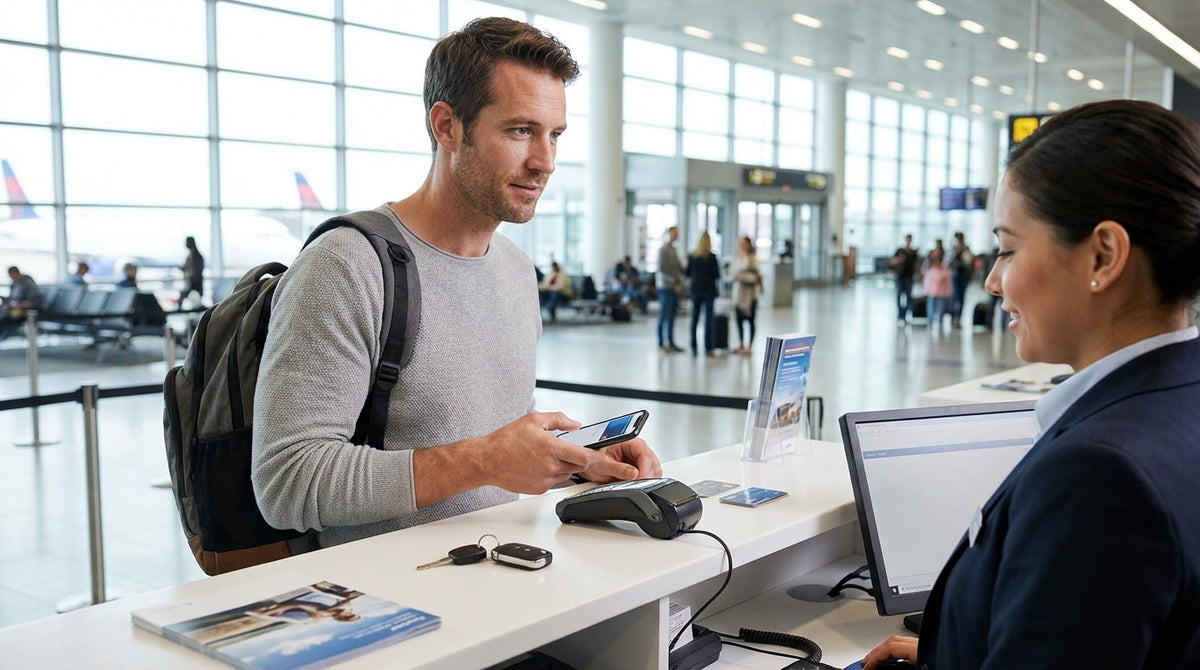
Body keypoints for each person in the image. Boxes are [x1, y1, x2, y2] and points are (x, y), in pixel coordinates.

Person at [251, 17, 661, 549]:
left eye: (554, 135)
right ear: (447, 126)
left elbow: (487, 455)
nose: (545, 162)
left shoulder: (515, 269)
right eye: (520, 131)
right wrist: (483, 459)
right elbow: (287, 481)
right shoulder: (346, 265)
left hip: (495, 574)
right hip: (389, 603)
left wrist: (578, 462)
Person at [858, 99, 1200, 669]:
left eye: (1010, 248)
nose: (993, 281)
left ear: (1103, 254)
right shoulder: (1179, 402)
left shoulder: (1098, 475)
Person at [686, 231, 720, 356]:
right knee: (708, 318)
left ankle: (693, 346)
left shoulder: (693, 256)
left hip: (695, 290)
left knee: (694, 318)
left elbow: (688, 273)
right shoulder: (712, 257)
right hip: (708, 290)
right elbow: (717, 275)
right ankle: (708, 347)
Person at [656, 226, 686, 354]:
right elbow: (662, 270)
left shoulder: (674, 250)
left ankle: (671, 341)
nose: (676, 236)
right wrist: (673, 282)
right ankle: (661, 343)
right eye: (674, 233)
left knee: (672, 315)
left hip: (674, 286)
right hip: (665, 286)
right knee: (664, 314)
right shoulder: (663, 250)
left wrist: (680, 282)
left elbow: (676, 269)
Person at [730, 236, 762, 354]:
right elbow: (732, 272)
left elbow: (757, 277)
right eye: (740, 243)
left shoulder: (753, 259)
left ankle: (750, 345)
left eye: (743, 243)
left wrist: (742, 277)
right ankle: (741, 343)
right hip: (738, 294)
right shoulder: (737, 257)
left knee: (751, 320)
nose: (741, 246)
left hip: (750, 295)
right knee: (739, 320)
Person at [0, 266, 44, 337]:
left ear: (17, 273)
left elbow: (35, 302)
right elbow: (12, 299)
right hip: (12, 309)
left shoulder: (28, 284)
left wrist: (14, 305)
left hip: (23, 311)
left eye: (12, 276)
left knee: (3, 319)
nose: (12, 278)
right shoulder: (15, 284)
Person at [888, 234, 920, 324]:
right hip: (900, 276)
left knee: (908, 296)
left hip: (909, 276)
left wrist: (920, 276)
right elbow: (891, 261)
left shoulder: (913, 253)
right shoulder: (900, 251)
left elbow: (916, 265)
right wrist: (899, 260)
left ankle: (905, 314)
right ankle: (900, 314)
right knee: (899, 295)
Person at [947, 231, 973, 328]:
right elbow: (948, 262)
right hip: (955, 276)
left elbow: (969, 261)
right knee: (954, 297)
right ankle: (954, 317)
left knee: (961, 298)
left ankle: (958, 318)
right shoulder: (953, 249)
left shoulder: (966, 248)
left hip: (964, 277)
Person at [921, 252, 951, 330]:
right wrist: (926, 292)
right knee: (931, 308)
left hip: (941, 293)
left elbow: (948, 283)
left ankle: (940, 322)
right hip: (932, 293)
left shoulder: (945, 271)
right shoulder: (930, 271)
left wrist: (948, 293)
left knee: (941, 309)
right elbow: (927, 283)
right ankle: (930, 322)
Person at [179, 235, 204, 306]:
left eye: (187, 242)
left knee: (194, 305)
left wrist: (189, 275)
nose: (185, 244)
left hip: (195, 286)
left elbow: (196, 273)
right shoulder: (190, 256)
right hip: (190, 285)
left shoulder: (197, 257)